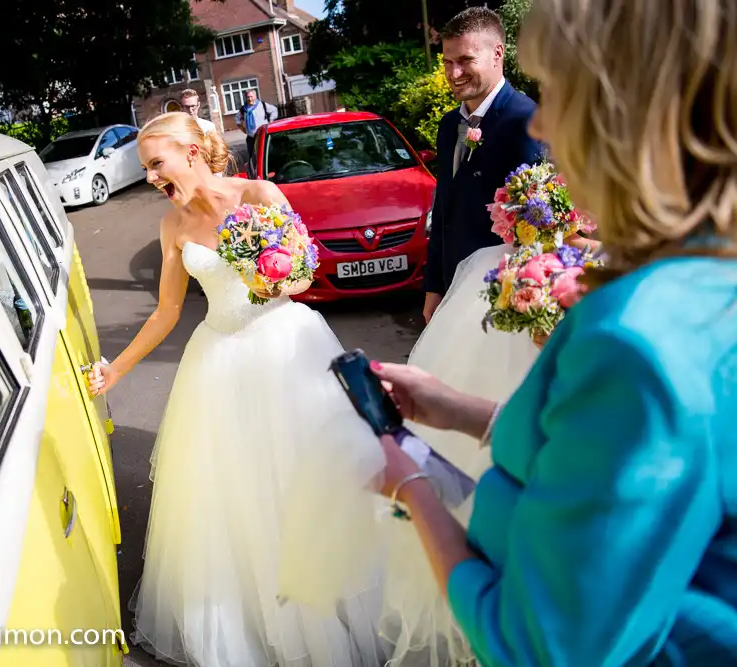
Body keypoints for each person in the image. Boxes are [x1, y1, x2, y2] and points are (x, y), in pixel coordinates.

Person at [373, 0, 737, 664]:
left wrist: (412, 490)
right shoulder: (706, 274)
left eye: (562, 90)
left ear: (628, 111)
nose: (543, 119)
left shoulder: (638, 340)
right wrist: (456, 408)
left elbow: (539, 643)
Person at [86, 111, 395, 666]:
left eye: (157, 164)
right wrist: (117, 369)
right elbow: (168, 310)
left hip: (286, 349)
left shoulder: (260, 194)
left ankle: (329, 607)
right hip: (219, 361)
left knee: (308, 481)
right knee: (236, 500)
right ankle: (259, 622)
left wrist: (275, 277)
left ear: (192, 153)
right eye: (147, 169)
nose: (153, 177)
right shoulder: (171, 225)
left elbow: (304, 276)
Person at [422, 7, 543, 324]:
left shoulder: (527, 121)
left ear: (497, 54)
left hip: (499, 298)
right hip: (453, 293)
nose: (454, 73)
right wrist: (435, 286)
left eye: (465, 61)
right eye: (448, 62)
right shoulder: (449, 126)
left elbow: (538, 229)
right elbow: (445, 208)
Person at [180, 89, 223, 179]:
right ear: (182, 107)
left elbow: (216, 152)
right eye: (187, 107)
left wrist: (217, 176)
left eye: (193, 106)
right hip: (187, 176)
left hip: (208, 174)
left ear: (198, 105)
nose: (190, 110)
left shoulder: (209, 127)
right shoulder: (176, 130)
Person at [235, 89, 277, 168]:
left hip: (263, 135)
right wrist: (243, 129)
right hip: (251, 137)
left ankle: (268, 168)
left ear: (255, 96)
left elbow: (274, 110)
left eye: (251, 96)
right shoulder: (243, 109)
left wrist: (271, 122)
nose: (250, 99)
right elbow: (237, 119)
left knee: (265, 153)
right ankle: (255, 171)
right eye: (248, 97)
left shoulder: (262, 105)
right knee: (252, 156)